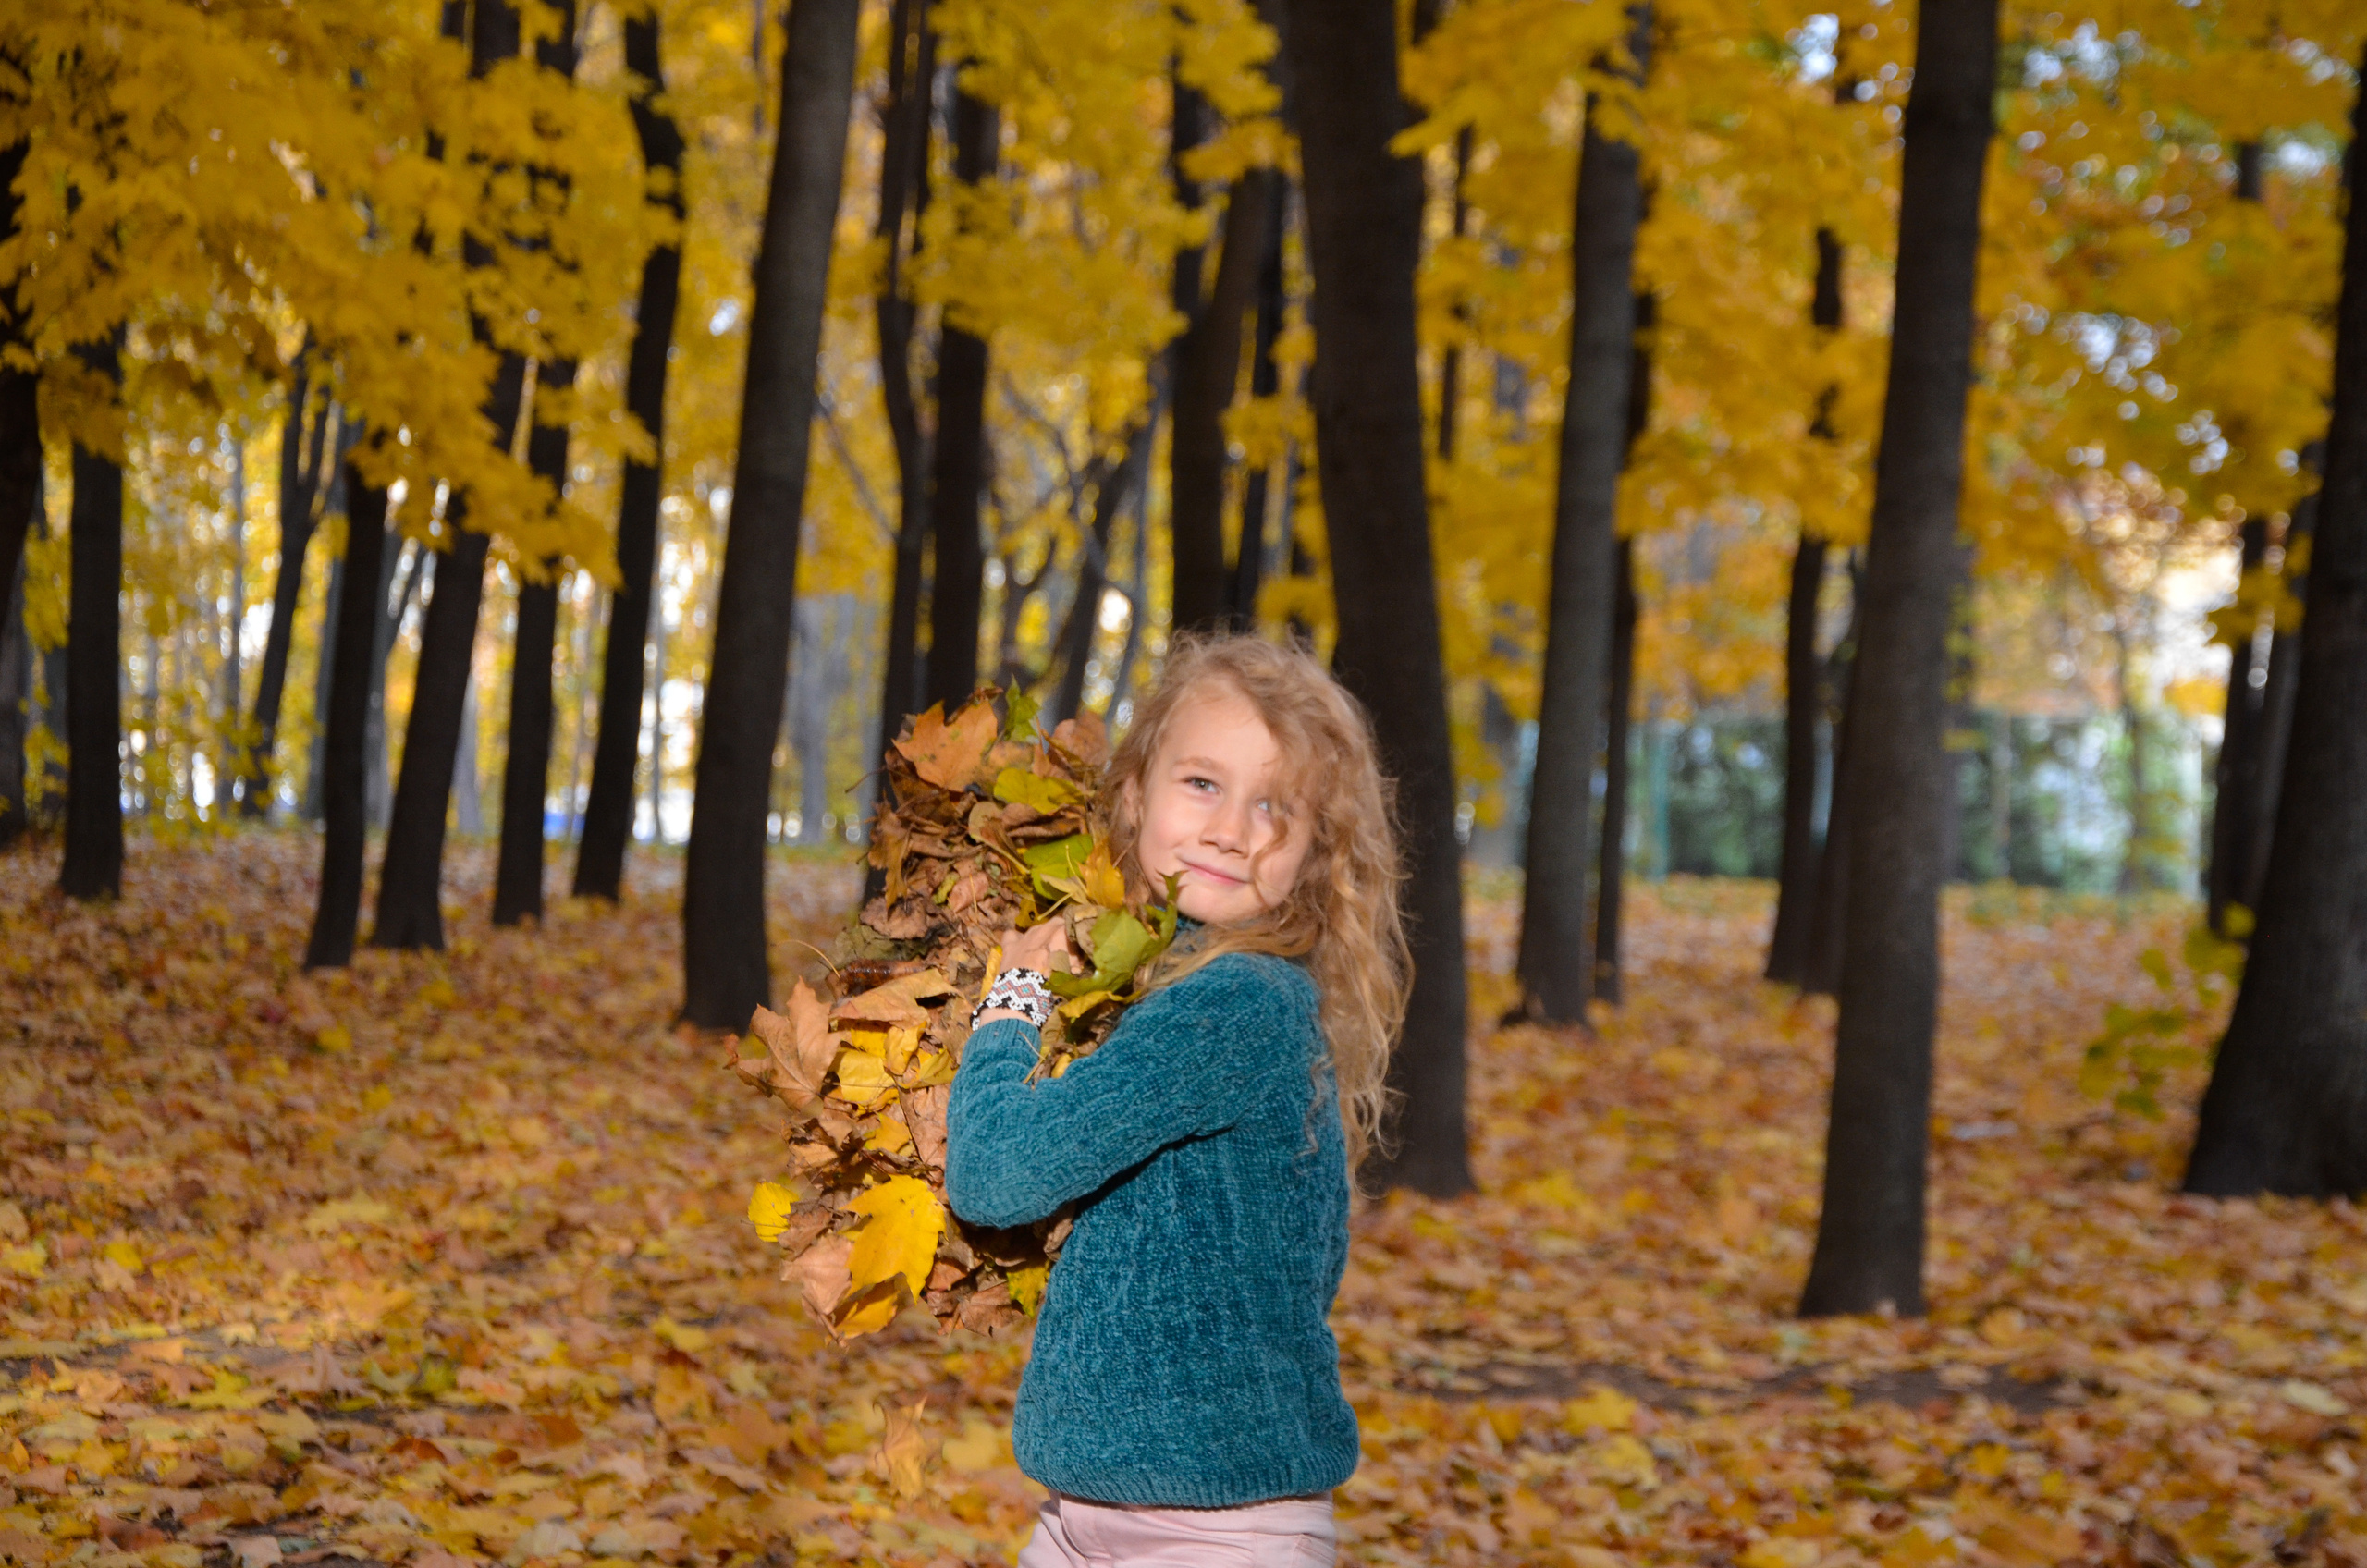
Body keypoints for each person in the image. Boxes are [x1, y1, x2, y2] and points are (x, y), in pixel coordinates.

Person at [946, 633, 1411, 1568]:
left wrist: (1012, 1002)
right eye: (1202, 783)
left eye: (1276, 806)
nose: (1232, 829)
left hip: (1216, 1535)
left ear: (1316, 853)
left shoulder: (1238, 1003)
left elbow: (995, 1174)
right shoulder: (1177, 985)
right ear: (1133, 795)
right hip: (1082, 1516)